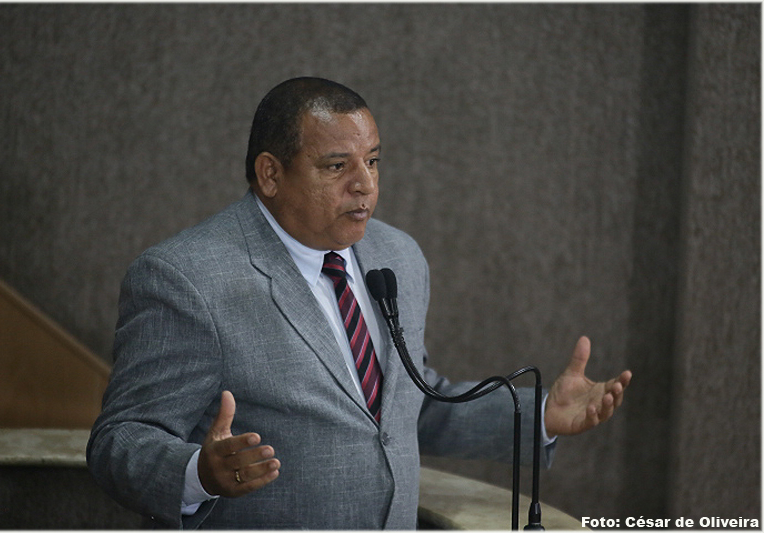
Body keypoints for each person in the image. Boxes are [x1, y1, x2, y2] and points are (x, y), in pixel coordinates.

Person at [87, 77, 632, 529]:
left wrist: (537, 415)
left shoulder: (398, 255)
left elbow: (406, 407)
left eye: (373, 161)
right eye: (336, 166)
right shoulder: (187, 278)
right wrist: (197, 473)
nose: (365, 185)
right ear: (271, 174)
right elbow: (119, 441)